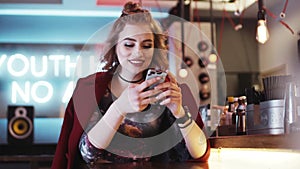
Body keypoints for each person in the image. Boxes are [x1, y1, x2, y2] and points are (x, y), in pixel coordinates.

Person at [51, 2, 210, 169]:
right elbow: (87, 154)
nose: (138, 53)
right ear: (115, 46)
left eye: (146, 45)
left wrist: (180, 113)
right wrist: (119, 108)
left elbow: (200, 152)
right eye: (129, 44)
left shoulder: (169, 88)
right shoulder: (89, 88)